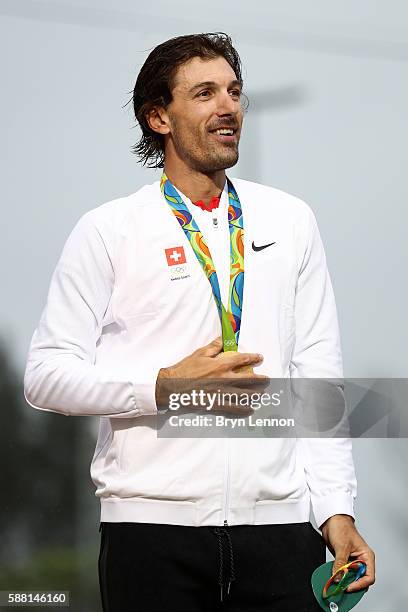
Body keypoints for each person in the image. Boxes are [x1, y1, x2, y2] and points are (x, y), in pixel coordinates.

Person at [24, 32, 375, 611]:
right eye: (205, 93)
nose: (228, 106)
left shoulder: (291, 220)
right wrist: (162, 386)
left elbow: (319, 379)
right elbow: (44, 376)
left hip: (282, 535)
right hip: (150, 535)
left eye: (234, 92)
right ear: (158, 116)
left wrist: (336, 510)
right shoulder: (108, 229)